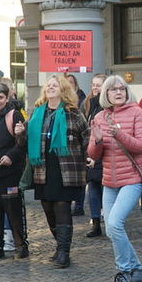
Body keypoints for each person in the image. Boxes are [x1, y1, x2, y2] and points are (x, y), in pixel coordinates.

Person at [16, 74, 89, 268]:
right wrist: (20, 134)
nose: (50, 88)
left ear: (63, 89)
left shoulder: (73, 112)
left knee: (62, 206)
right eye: (48, 85)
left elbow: (86, 137)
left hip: (66, 168)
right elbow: (25, 144)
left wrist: (89, 157)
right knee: (48, 208)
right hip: (43, 168)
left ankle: (64, 252)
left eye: (55, 85)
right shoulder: (37, 113)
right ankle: (59, 246)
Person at [88, 75, 142, 282]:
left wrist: (119, 134)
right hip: (109, 180)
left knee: (114, 223)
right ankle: (137, 269)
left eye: (121, 89)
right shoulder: (99, 117)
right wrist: (96, 141)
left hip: (132, 178)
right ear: (105, 94)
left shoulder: (136, 112)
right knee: (111, 230)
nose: (118, 92)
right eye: (113, 90)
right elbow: (94, 154)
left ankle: (123, 272)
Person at [0, 82, 27, 259]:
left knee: (13, 210)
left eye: (0, 97)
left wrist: (10, 156)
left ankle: (21, 245)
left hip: (9, 173)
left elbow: (21, 144)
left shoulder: (13, 115)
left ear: (7, 98)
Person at [82, 73, 106, 238]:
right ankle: (95, 222)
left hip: (106, 153)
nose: (95, 87)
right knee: (93, 188)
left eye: (99, 85)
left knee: (106, 188)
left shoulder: (107, 105)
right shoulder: (89, 104)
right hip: (93, 152)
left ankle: (111, 221)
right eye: (94, 84)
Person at [65, 73, 88, 217]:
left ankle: (79, 205)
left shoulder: (82, 100)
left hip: (77, 146)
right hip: (65, 148)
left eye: (70, 83)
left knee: (80, 179)